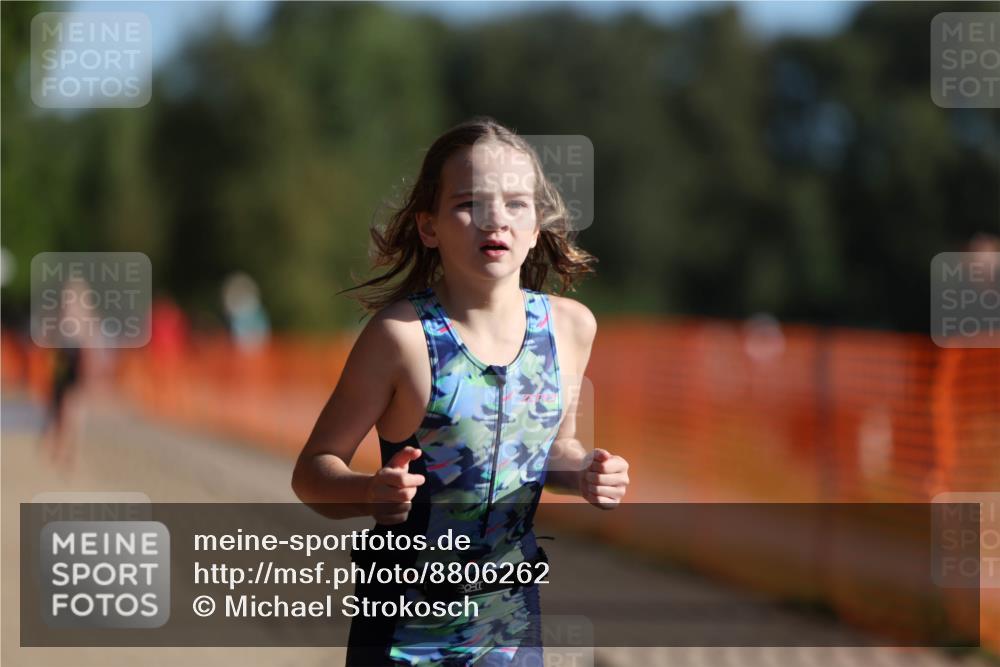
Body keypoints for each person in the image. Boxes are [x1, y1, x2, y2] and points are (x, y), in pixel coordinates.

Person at [292, 116, 631, 666]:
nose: (495, 220)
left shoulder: (570, 329)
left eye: (517, 204)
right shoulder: (399, 338)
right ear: (429, 227)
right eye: (468, 203)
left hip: (511, 627)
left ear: (538, 223)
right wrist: (368, 492)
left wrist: (586, 469)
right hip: (404, 632)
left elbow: (549, 452)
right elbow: (311, 470)